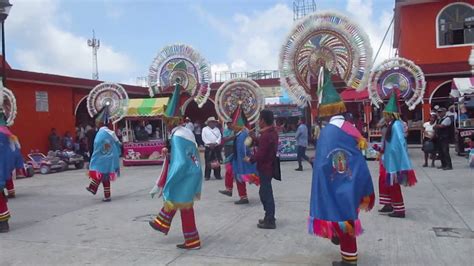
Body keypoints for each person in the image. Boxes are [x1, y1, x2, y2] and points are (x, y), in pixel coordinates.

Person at [308, 68, 374, 266]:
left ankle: (349, 260)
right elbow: (359, 152)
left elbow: (323, 163)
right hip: (354, 179)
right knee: (348, 216)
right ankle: (347, 255)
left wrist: (318, 171)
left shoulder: (328, 132)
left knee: (342, 219)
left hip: (335, 183)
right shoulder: (351, 127)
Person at [378, 90, 417, 219]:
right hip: (388, 159)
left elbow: (400, 143)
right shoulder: (391, 125)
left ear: (392, 114)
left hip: (393, 161)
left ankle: (399, 210)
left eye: (387, 114)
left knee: (393, 185)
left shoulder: (396, 125)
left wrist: (401, 160)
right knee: (385, 182)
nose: (386, 116)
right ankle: (389, 204)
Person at [245, 109, 279, 229]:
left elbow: (261, 154)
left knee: (266, 194)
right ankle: (268, 217)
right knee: (265, 192)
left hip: (265, 167)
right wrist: (254, 138)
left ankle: (270, 220)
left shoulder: (266, 135)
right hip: (269, 166)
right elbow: (264, 146)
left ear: (263, 120)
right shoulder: (272, 133)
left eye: (259, 119)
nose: (258, 122)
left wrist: (250, 159)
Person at [219, 105, 259, 205]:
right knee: (235, 175)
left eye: (231, 124)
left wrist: (242, 161)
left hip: (242, 160)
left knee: (245, 176)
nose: (230, 126)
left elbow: (244, 149)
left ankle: (242, 196)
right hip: (238, 159)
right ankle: (241, 195)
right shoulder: (240, 133)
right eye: (229, 125)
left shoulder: (242, 134)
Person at [85, 105, 122, 202]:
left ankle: (93, 188)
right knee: (104, 177)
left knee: (99, 173)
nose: (97, 124)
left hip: (101, 157)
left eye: (97, 123)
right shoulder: (110, 132)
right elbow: (117, 142)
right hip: (108, 158)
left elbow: (97, 145)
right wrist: (117, 151)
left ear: (100, 123)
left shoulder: (101, 132)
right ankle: (105, 195)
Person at [0, 110, 23, 233]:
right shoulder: (6, 133)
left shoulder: (3, 133)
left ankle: (3, 223)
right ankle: (3, 223)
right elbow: (15, 152)